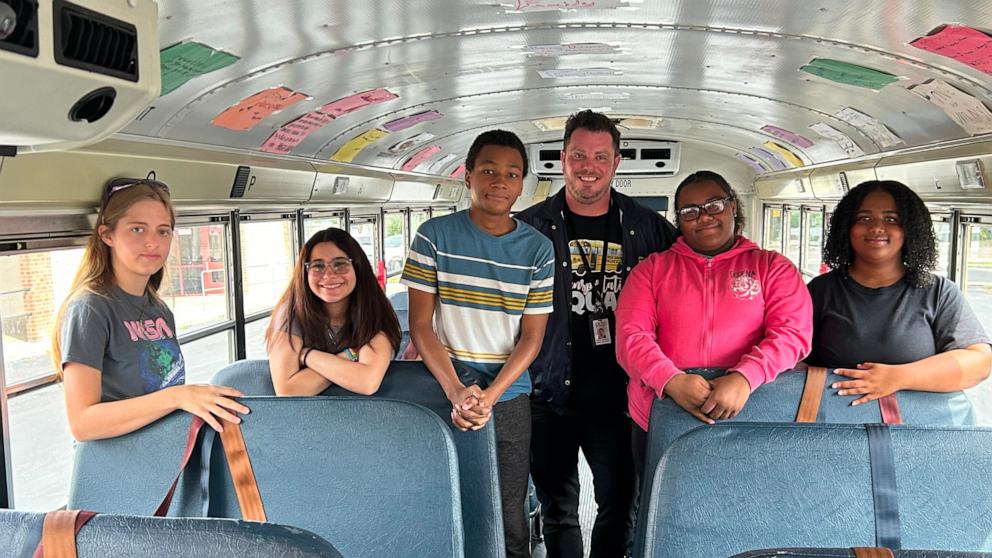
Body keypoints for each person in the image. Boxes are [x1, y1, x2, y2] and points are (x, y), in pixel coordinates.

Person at [515, 110, 677, 557]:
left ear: (616, 161)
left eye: (600, 156)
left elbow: (687, 286)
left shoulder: (649, 228)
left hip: (621, 395)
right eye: (579, 155)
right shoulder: (528, 228)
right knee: (558, 510)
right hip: (548, 393)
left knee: (620, 506)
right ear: (562, 158)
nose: (589, 166)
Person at [402, 129, 554, 558]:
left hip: (508, 394)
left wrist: (490, 396)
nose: (499, 181)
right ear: (467, 176)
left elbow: (532, 337)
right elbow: (421, 324)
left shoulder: (537, 250)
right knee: (448, 501)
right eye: (488, 170)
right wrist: (456, 391)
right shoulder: (433, 236)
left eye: (511, 173)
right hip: (446, 388)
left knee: (509, 514)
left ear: (522, 183)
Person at [615, 170, 812, 479]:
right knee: (657, 509)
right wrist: (670, 380)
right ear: (679, 221)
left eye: (714, 205)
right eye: (690, 211)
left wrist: (745, 377)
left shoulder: (772, 267)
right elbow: (631, 338)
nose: (704, 217)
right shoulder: (651, 271)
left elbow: (792, 334)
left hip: (750, 409)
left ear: (733, 207)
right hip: (662, 410)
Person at [52, 178, 250, 442]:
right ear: (107, 235)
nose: (152, 243)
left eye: (163, 231)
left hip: (162, 455)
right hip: (117, 466)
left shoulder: (158, 309)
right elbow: (82, 423)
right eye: (137, 230)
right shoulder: (91, 308)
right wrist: (179, 396)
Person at [807, 180, 991, 404]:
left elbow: (980, 362)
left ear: (910, 229)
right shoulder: (820, 290)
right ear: (847, 227)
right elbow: (792, 357)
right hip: (835, 421)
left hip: (918, 428)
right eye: (864, 218)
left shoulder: (939, 292)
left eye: (891, 219)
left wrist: (898, 377)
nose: (876, 227)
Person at [266, 227, 402, 396]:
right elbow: (288, 390)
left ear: (357, 268)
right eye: (318, 266)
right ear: (305, 272)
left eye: (340, 264)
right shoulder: (291, 313)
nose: (328, 275)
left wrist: (308, 355)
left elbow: (367, 381)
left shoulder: (373, 310)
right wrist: (350, 355)